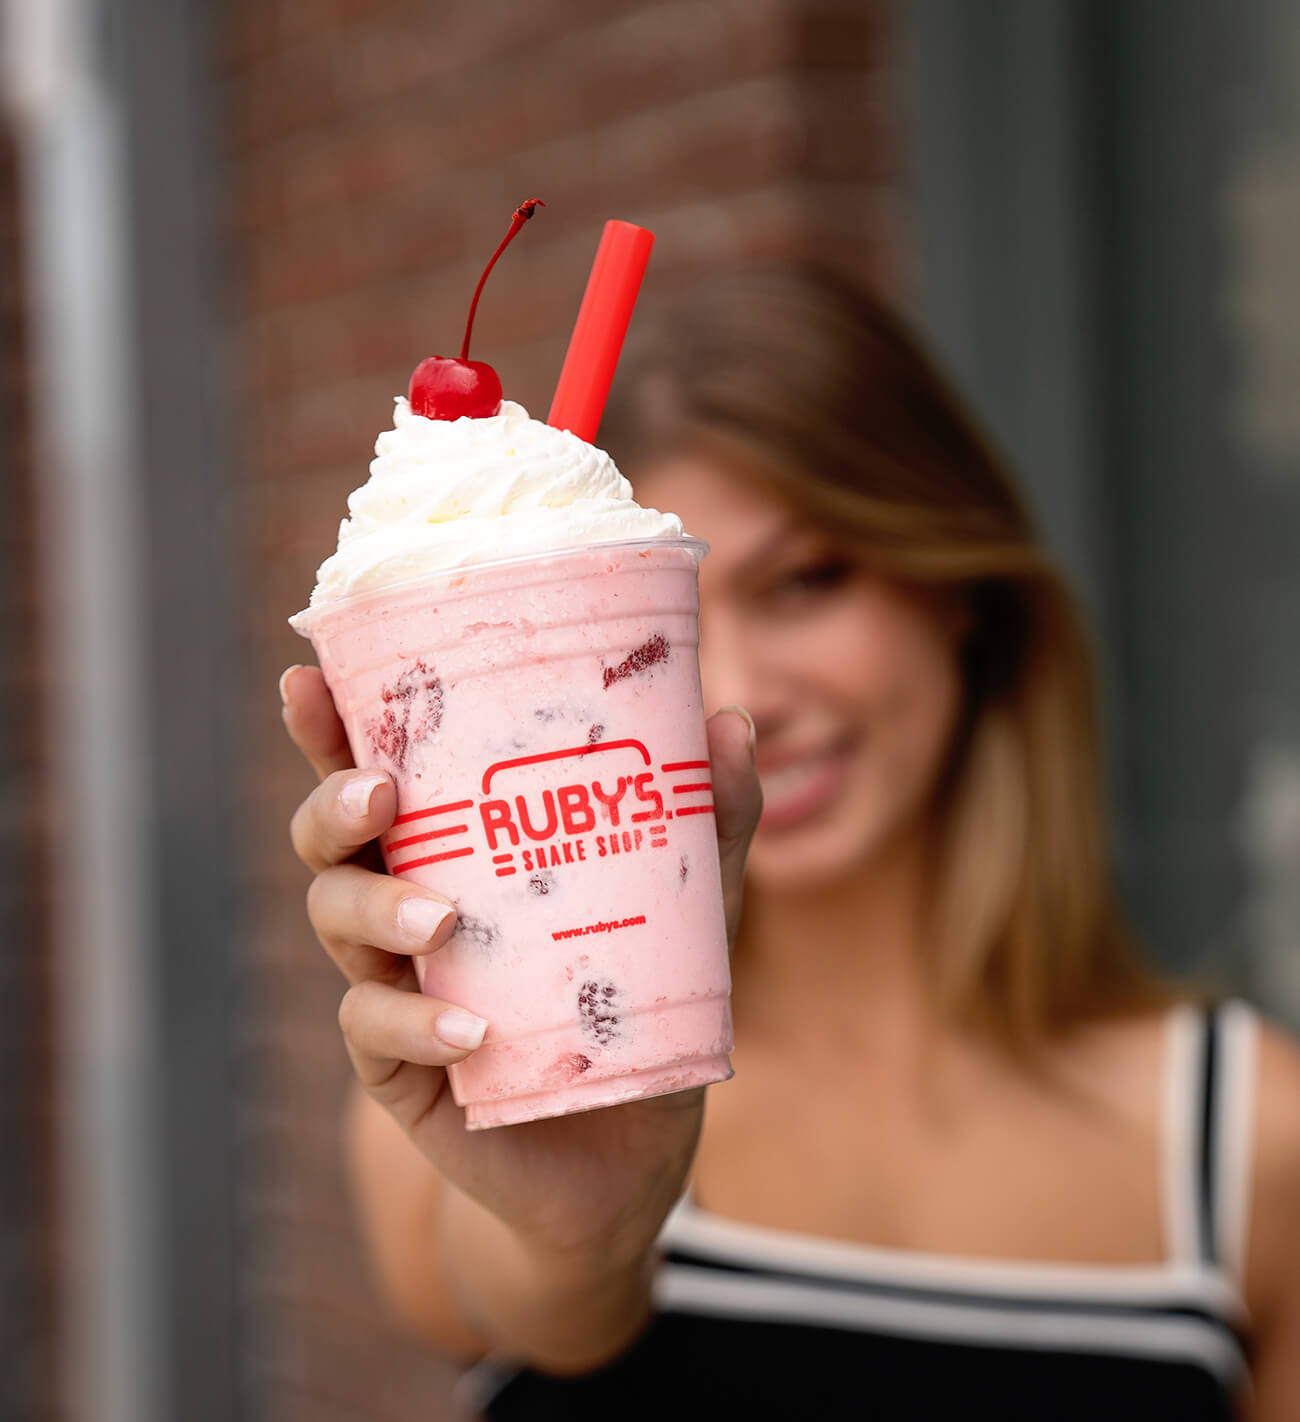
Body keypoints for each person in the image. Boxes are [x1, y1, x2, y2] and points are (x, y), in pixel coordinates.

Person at [280, 264, 1300, 1420]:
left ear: (952, 584)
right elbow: (521, 1303)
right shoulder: (480, 1083)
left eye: (808, 582)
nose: (751, 694)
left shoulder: (1253, 1143)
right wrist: (584, 1231)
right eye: (669, 628)